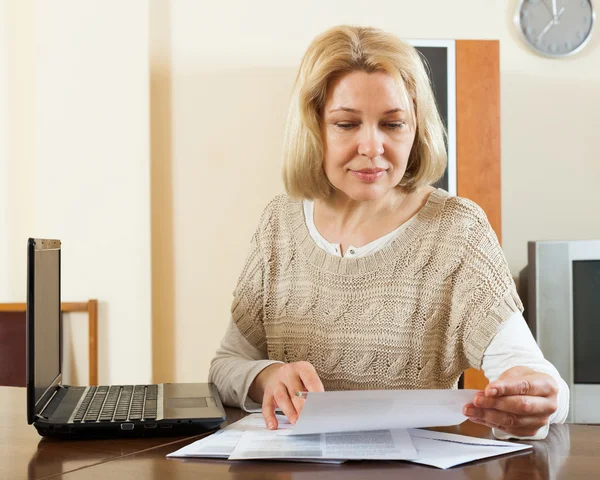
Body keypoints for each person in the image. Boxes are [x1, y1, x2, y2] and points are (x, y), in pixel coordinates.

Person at [208, 25, 569, 440]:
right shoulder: (279, 224)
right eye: (346, 124)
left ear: (416, 129)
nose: (372, 146)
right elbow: (226, 366)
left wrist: (541, 397)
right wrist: (267, 376)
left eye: (393, 124)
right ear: (314, 129)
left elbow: (538, 379)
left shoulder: (457, 230)